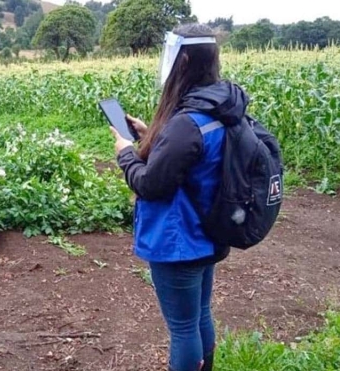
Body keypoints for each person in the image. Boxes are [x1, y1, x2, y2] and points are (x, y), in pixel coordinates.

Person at [109, 23, 250, 371]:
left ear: (183, 60)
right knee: (199, 314)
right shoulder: (221, 106)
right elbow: (193, 156)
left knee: (183, 328)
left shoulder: (186, 122)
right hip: (209, 232)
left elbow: (151, 184)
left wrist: (126, 152)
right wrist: (153, 135)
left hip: (179, 239)